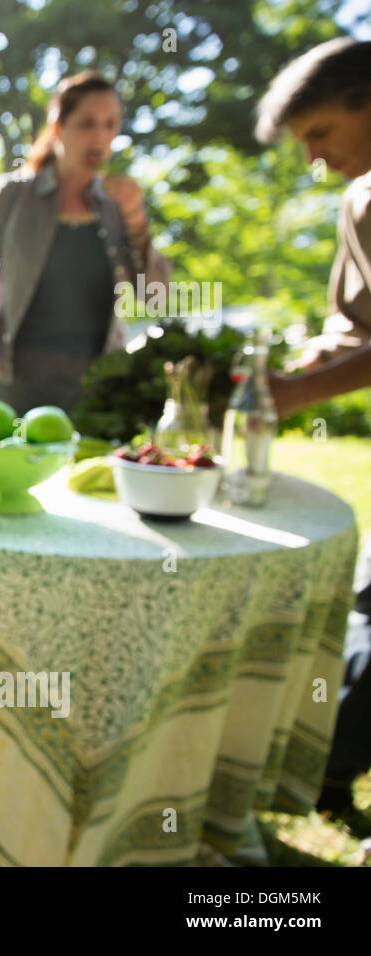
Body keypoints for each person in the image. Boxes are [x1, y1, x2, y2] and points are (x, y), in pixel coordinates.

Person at [257, 37, 371, 837]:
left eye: (321, 134)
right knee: (364, 607)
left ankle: (310, 763)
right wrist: (297, 361)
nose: (315, 158)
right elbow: (352, 326)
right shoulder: (359, 201)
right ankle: (322, 767)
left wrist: (296, 394)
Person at [0, 70, 173, 416]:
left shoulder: (119, 208)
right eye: (87, 123)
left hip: (94, 391)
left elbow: (155, 298)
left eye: (110, 125)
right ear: (57, 128)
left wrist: (138, 224)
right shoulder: (13, 197)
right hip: (12, 384)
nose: (100, 136)